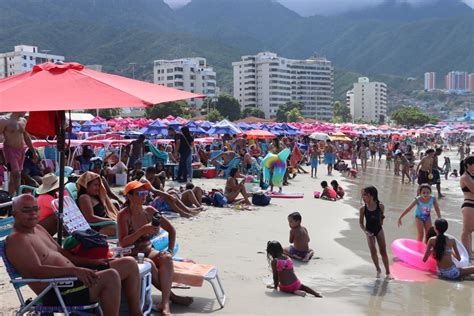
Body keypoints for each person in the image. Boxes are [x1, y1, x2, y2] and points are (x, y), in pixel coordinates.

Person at [6, 194, 144, 316]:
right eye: (26, 210)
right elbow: (38, 271)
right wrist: (75, 271)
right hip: (57, 290)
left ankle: (136, 313)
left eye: (35, 209)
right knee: (111, 276)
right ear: (14, 213)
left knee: (129, 263)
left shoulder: (38, 228)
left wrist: (91, 262)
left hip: (73, 279)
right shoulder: (17, 240)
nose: (33, 213)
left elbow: (62, 253)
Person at [117, 181, 193, 315]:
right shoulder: (124, 215)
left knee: (166, 258)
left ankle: (164, 304)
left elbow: (171, 230)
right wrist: (142, 231)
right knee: (150, 264)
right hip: (130, 253)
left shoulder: (150, 211)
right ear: (129, 196)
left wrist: (169, 250)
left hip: (147, 250)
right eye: (140, 193)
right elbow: (123, 243)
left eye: (145, 193)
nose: (144, 196)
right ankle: (173, 297)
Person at [0, 112, 37, 196]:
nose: (25, 111)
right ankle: (19, 195)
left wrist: (33, 151)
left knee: (14, 177)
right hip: (10, 150)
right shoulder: (4, 120)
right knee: (16, 174)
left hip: (21, 150)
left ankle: (10, 196)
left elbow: (26, 136)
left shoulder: (23, 120)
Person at [359, 186, 392, 279]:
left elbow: (381, 220)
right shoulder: (363, 209)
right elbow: (361, 223)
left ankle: (388, 273)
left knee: (383, 251)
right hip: (368, 230)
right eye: (362, 195)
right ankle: (378, 270)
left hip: (379, 230)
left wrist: (381, 220)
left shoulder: (380, 206)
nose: (363, 197)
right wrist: (366, 231)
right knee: (373, 251)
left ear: (372, 195)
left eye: (365, 195)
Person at [77, 171, 118, 237]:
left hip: (105, 224)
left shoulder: (94, 196)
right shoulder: (84, 197)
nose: (98, 188)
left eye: (99, 185)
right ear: (86, 185)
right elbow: (90, 218)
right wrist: (110, 219)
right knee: (125, 228)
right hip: (96, 229)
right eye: (95, 185)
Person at [460, 156, 474, 260]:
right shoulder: (465, 177)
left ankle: (470, 253)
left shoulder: (471, 176)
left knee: (470, 230)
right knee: (466, 231)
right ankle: (467, 254)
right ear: (469, 165)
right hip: (469, 205)